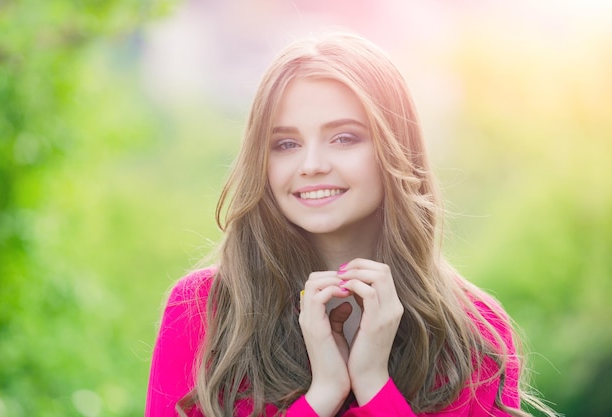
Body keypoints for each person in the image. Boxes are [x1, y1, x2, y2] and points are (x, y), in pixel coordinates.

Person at [146, 31, 556, 417]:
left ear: (395, 148)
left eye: (344, 138)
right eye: (286, 144)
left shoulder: (476, 333)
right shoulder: (202, 310)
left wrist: (375, 385)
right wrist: (322, 395)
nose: (312, 166)